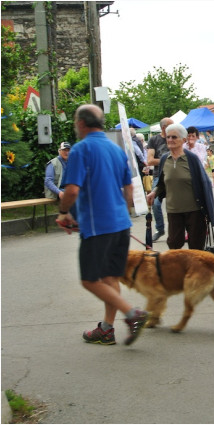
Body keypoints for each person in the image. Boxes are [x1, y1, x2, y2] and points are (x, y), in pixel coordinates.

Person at [56, 104, 148, 346]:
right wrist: (120, 210)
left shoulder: (81, 149)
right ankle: (107, 329)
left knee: (89, 279)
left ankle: (132, 314)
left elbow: (72, 190)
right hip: (121, 224)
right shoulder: (116, 149)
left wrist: (64, 212)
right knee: (109, 277)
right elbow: (129, 190)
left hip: (98, 227)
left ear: (81, 124)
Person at [146, 123, 214, 251]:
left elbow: (204, 184)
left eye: (174, 137)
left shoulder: (192, 159)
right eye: (168, 137)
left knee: (196, 249)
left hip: (195, 211)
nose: (170, 140)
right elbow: (162, 183)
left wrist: (208, 212)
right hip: (174, 211)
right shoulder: (164, 159)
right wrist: (154, 192)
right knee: (174, 245)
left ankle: (194, 271)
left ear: (184, 140)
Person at [146, 117, 174, 241]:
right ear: (164, 128)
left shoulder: (175, 138)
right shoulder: (154, 140)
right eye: (171, 125)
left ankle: (177, 230)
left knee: (176, 204)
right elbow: (150, 160)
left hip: (173, 175)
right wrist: (167, 160)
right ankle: (160, 229)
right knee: (156, 203)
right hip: (159, 175)